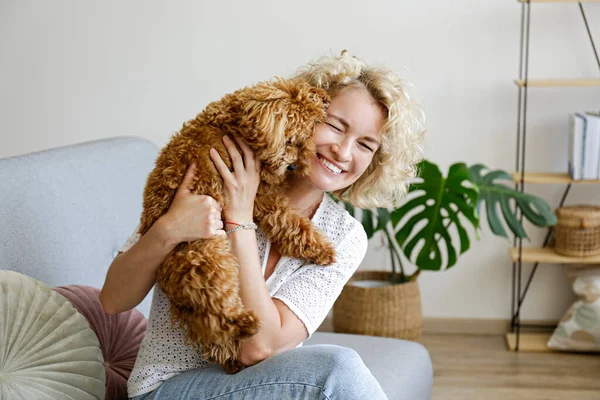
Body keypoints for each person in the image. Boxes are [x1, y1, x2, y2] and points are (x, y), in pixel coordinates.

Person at [100, 50, 425, 400]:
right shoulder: (220, 170)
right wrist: (169, 230)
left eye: (365, 144)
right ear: (305, 115)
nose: (343, 152)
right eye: (334, 126)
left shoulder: (343, 237)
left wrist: (239, 221)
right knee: (338, 369)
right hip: (168, 389)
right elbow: (113, 300)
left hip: (268, 388)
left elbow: (258, 349)